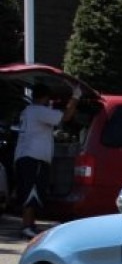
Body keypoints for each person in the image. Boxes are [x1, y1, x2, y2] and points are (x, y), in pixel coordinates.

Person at [14, 82, 80, 239]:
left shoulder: (27, 111)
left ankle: (29, 224)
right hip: (34, 157)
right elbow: (66, 116)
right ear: (44, 97)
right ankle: (27, 226)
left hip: (24, 156)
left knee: (28, 190)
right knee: (32, 192)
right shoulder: (39, 111)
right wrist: (76, 97)